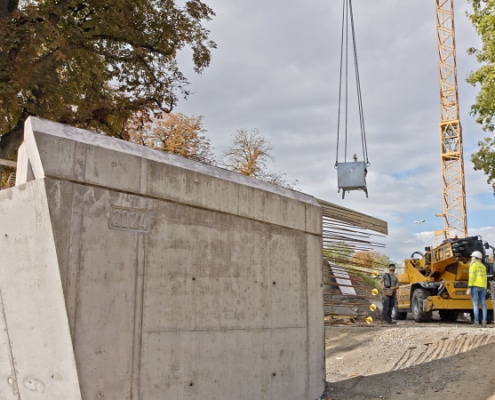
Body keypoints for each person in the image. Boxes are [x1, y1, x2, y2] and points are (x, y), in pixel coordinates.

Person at [467, 250, 488, 327]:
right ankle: (484, 322)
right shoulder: (483, 267)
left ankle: (476, 322)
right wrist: (485, 288)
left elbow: (472, 277)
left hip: (475, 287)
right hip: (482, 287)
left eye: (472, 257)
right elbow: (485, 278)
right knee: (483, 305)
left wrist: (469, 287)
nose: (472, 258)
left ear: (475, 258)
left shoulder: (473, 265)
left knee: (475, 305)